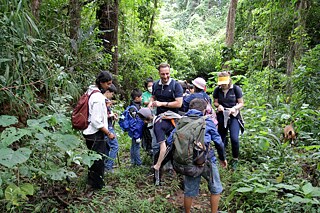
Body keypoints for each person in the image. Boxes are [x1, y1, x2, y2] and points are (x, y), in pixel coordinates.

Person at [168, 98, 227, 213]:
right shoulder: (208, 122)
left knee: (189, 190)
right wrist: (222, 158)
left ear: (189, 108)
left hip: (188, 160)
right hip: (206, 159)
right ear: (204, 110)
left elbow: (169, 141)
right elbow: (219, 143)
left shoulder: (181, 121)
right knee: (215, 188)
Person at [147, 63, 183, 183]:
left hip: (173, 120)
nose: (165, 76)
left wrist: (162, 104)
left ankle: (173, 169)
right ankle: (157, 171)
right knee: (156, 145)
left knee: (174, 146)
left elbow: (179, 103)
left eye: (167, 73)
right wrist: (150, 102)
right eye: (163, 74)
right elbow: (153, 97)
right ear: (159, 73)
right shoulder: (156, 84)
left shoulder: (175, 86)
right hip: (160, 119)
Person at [83, 71, 115, 190]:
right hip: (95, 134)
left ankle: (91, 182)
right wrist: (108, 133)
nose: (109, 86)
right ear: (101, 83)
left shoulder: (91, 92)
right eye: (108, 84)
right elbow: (96, 121)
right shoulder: (98, 98)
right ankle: (98, 186)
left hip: (89, 133)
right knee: (98, 161)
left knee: (92, 159)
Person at [213, 71, 244, 170]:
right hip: (222, 116)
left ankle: (235, 159)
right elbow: (215, 102)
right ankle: (222, 158)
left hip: (233, 115)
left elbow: (241, 103)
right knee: (220, 139)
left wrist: (234, 108)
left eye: (224, 83)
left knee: (234, 138)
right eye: (221, 83)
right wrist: (219, 106)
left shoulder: (236, 89)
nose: (223, 85)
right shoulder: (217, 90)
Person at [103, 84, 118, 173]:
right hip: (106, 128)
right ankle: (108, 166)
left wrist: (112, 116)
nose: (112, 96)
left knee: (107, 147)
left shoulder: (106, 101)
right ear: (108, 92)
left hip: (108, 125)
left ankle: (106, 165)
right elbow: (101, 115)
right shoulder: (102, 101)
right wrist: (110, 115)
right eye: (112, 94)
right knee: (115, 146)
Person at [129, 88, 143, 166]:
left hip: (136, 131)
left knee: (133, 146)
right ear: (137, 98)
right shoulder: (133, 108)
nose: (142, 98)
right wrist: (137, 134)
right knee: (136, 147)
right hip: (136, 131)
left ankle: (133, 162)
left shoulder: (136, 105)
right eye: (141, 97)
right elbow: (133, 123)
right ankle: (138, 163)